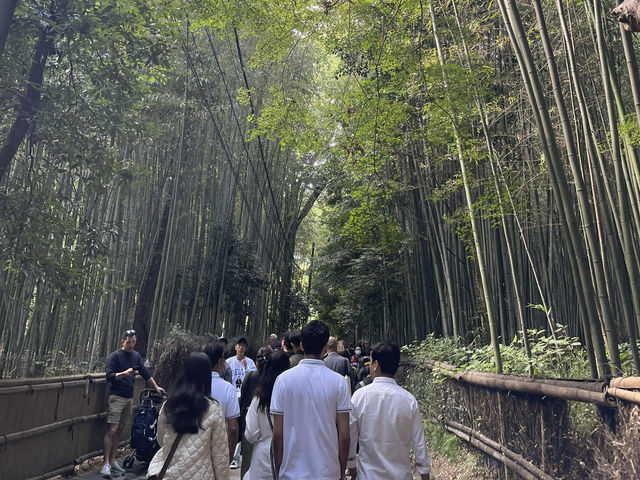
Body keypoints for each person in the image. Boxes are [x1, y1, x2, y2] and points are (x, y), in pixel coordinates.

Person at [271, 320, 351, 480]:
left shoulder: (283, 380)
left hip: (292, 472)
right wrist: (341, 472)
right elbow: (344, 434)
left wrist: (279, 470)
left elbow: (277, 434)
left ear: (301, 345)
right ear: (324, 349)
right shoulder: (338, 382)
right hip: (328, 472)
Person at [347, 342, 431, 480]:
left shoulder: (360, 397)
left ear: (375, 365)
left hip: (368, 476)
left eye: (371, 360)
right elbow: (419, 444)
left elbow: (351, 437)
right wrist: (425, 475)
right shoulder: (409, 400)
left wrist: (351, 467)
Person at [146, 352, 229, 480]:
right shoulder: (213, 410)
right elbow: (220, 457)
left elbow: (161, 439)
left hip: (170, 474)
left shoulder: (169, 405)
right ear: (207, 376)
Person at [102, 329, 165, 479]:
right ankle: (105, 463)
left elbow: (145, 373)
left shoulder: (136, 356)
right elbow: (109, 376)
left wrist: (156, 387)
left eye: (134, 342)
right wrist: (124, 373)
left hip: (129, 398)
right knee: (113, 428)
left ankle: (112, 460)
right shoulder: (115, 356)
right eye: (129, 342)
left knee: (120, 429)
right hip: (116, 397)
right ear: (123, 341)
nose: (131, 345)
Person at [243, 349, 290, 480]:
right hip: (288, 455)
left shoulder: (259, 399)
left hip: (263, 458)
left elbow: (251, 434)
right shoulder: (293, 396)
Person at [204, 341, 240, 465]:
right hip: (218, 449)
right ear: (220, 362)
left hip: (194, 448)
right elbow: (233, 428)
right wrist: (229, 456)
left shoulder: (192, 386)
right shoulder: (228, 389)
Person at [239, 346, 272, 478]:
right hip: (268, 428)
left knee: (247, 464)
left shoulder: (250, 376)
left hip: (249, 424)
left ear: (257, 361)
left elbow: (243, 399)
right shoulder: (275, 379)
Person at [227, 337, 257, 469]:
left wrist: (246, 368)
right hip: (232, 397)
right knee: (230, 426)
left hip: (244, 398)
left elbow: (253, 379)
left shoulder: (250, 363)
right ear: (235, 347)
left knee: (241, 426)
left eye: (244, 346)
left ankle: (235, 457)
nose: (241, 348)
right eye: (239, 345)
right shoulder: (228, 362)